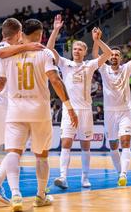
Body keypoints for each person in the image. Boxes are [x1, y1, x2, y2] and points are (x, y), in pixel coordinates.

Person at [0, 18, 78, 211]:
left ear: (22, 34)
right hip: (39, 111)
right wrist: (69, 106)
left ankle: (16, 195)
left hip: (15, 111)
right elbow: (55, 80)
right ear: (40, 34)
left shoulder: (9, 54)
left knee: (13, 152)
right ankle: (40, 195)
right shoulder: (43, 52)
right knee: (41, 156)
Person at [0, 18, 45, 205]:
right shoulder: (4, 49)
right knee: (15, 148)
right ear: (18, 33)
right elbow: (0, 79)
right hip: (0, 103)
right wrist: (26, 47)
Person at [48, 15, 112, 189]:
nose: (76, 51)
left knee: (85, 144)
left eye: (79, 49)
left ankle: (85, 178)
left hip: (85, 110)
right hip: (70, 110)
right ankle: (62, 177)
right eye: (75, 49)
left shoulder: (90, 65)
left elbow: (108, 54)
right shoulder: (64, 63)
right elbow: (49, 48)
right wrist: (55, 29)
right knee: (66, 142)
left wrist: (98, 41)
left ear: (84, 52)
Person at [92, 20, 131, 186]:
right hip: (109, 113)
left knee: (126, 142)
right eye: (111, 55)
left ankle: (123, 174)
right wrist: (96, 41)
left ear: (120, 58)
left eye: (116, 55)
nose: (113, 56)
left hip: (125, 111)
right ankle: (119, 171)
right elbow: (94, 57)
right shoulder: (104, 69)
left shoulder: (127, 68)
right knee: (113, 145)